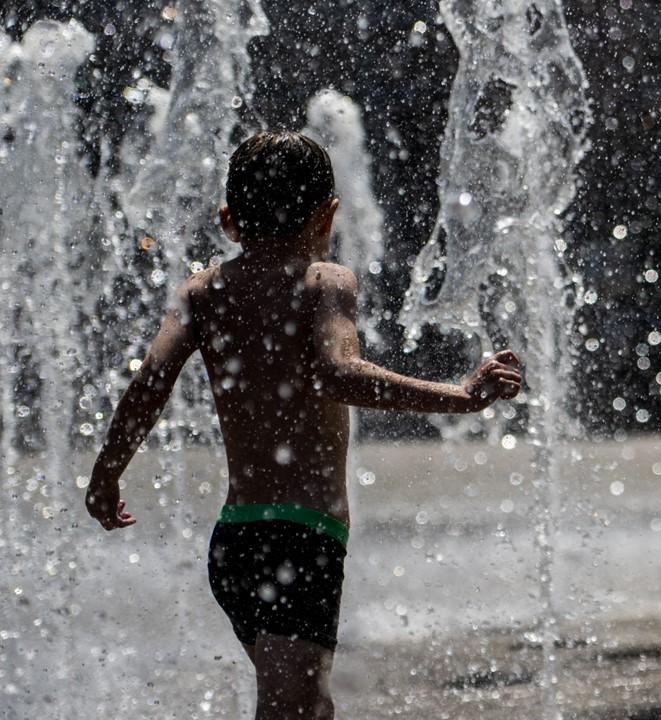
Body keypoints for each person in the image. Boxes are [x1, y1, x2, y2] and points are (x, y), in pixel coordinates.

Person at [85, 130, 523, 719]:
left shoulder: (201, 291)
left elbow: (149, 385)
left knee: (307, 708)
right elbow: (339, 374)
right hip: (302, 538)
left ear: (227, 220)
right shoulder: (324, 282)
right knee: (291, 710)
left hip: (235, 542)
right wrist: (460, 396)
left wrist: (107, 473)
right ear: (328, 214)